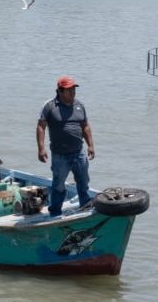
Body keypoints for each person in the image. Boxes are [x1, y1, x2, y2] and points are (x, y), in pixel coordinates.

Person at [37, 75, 94, 217]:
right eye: (69, 90)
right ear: (60, 91)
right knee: (58, 185)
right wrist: (41, 148)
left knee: (83, 182)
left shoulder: (80, 105)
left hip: (79, 153)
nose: (73, 92)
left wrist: (91, 145)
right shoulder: (50, 106)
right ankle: (55, 212)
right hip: (60, 155)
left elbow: (85, 126)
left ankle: (85, 207)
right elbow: (41, 127)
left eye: (74, 89)